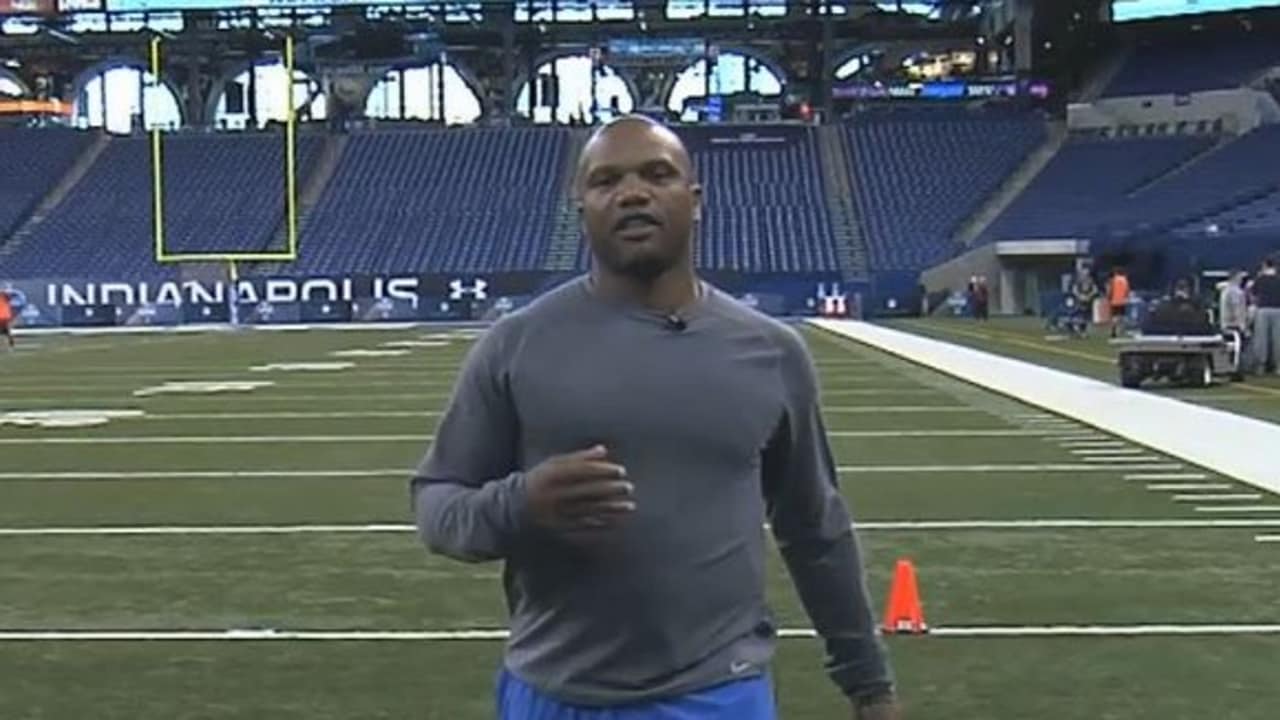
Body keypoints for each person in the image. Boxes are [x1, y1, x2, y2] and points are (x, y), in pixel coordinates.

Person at [411, 115, 899, 720]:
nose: (633, 192)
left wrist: (868, 686)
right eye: (606, 180)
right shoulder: (515, 345)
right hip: (555, 694)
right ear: (581, 207)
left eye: (657, 174)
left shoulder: (771, 353)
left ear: (694, 202)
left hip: (720, 693)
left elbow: (814, 527)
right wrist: (521, 505)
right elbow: (436, 505)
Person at [1252, 257, 1280, 374]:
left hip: (1263, 309)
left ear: (1264, 266)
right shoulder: (1279, 279)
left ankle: (1261, 366)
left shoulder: (1260, 279)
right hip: (1278, 310)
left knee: (1261, 339)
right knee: (1278, 339)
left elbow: (1253, 294)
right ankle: (1278, 366)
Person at [1107, 266, 1131, 338]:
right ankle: (1122, 330)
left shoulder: (1113, 280)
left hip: (1114, 300)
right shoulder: (1125, 280)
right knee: (1122, 316)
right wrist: (1126, 298)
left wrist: (1109, 297)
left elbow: (1110, 290)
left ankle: (1113, 331)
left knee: (1114, 317)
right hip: (1123, 300)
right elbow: (1127, 290)